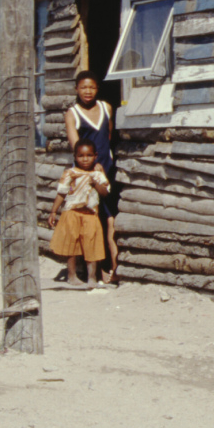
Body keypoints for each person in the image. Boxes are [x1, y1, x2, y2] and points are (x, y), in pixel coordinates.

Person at [64, 70, 120, 282]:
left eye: (92, 87)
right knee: (89, 220)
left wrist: (103, 167)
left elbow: (108, 135)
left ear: (97, 89)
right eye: (83, 87)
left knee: (109, 218)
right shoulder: (73, 113)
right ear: (76, 89)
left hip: (106, 169)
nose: (88, 91)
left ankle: (113, 268)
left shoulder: (106, 108)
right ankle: (91, 270)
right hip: (86, 173)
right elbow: (76, 146)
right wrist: (90, 170)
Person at [47, 140, 110, 286]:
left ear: (95, 156)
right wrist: (53, 211)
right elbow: (61, 193)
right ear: (75, 157)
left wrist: (95, 183)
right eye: (81, 156)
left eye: (89, 155)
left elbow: (105, 193)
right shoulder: (70, 173)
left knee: (92, 245)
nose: (85, 159)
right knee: (71, 245)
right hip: (72, 213)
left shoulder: (97, 174)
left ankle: (92, 277)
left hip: (90, 214)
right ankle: (71, 275)